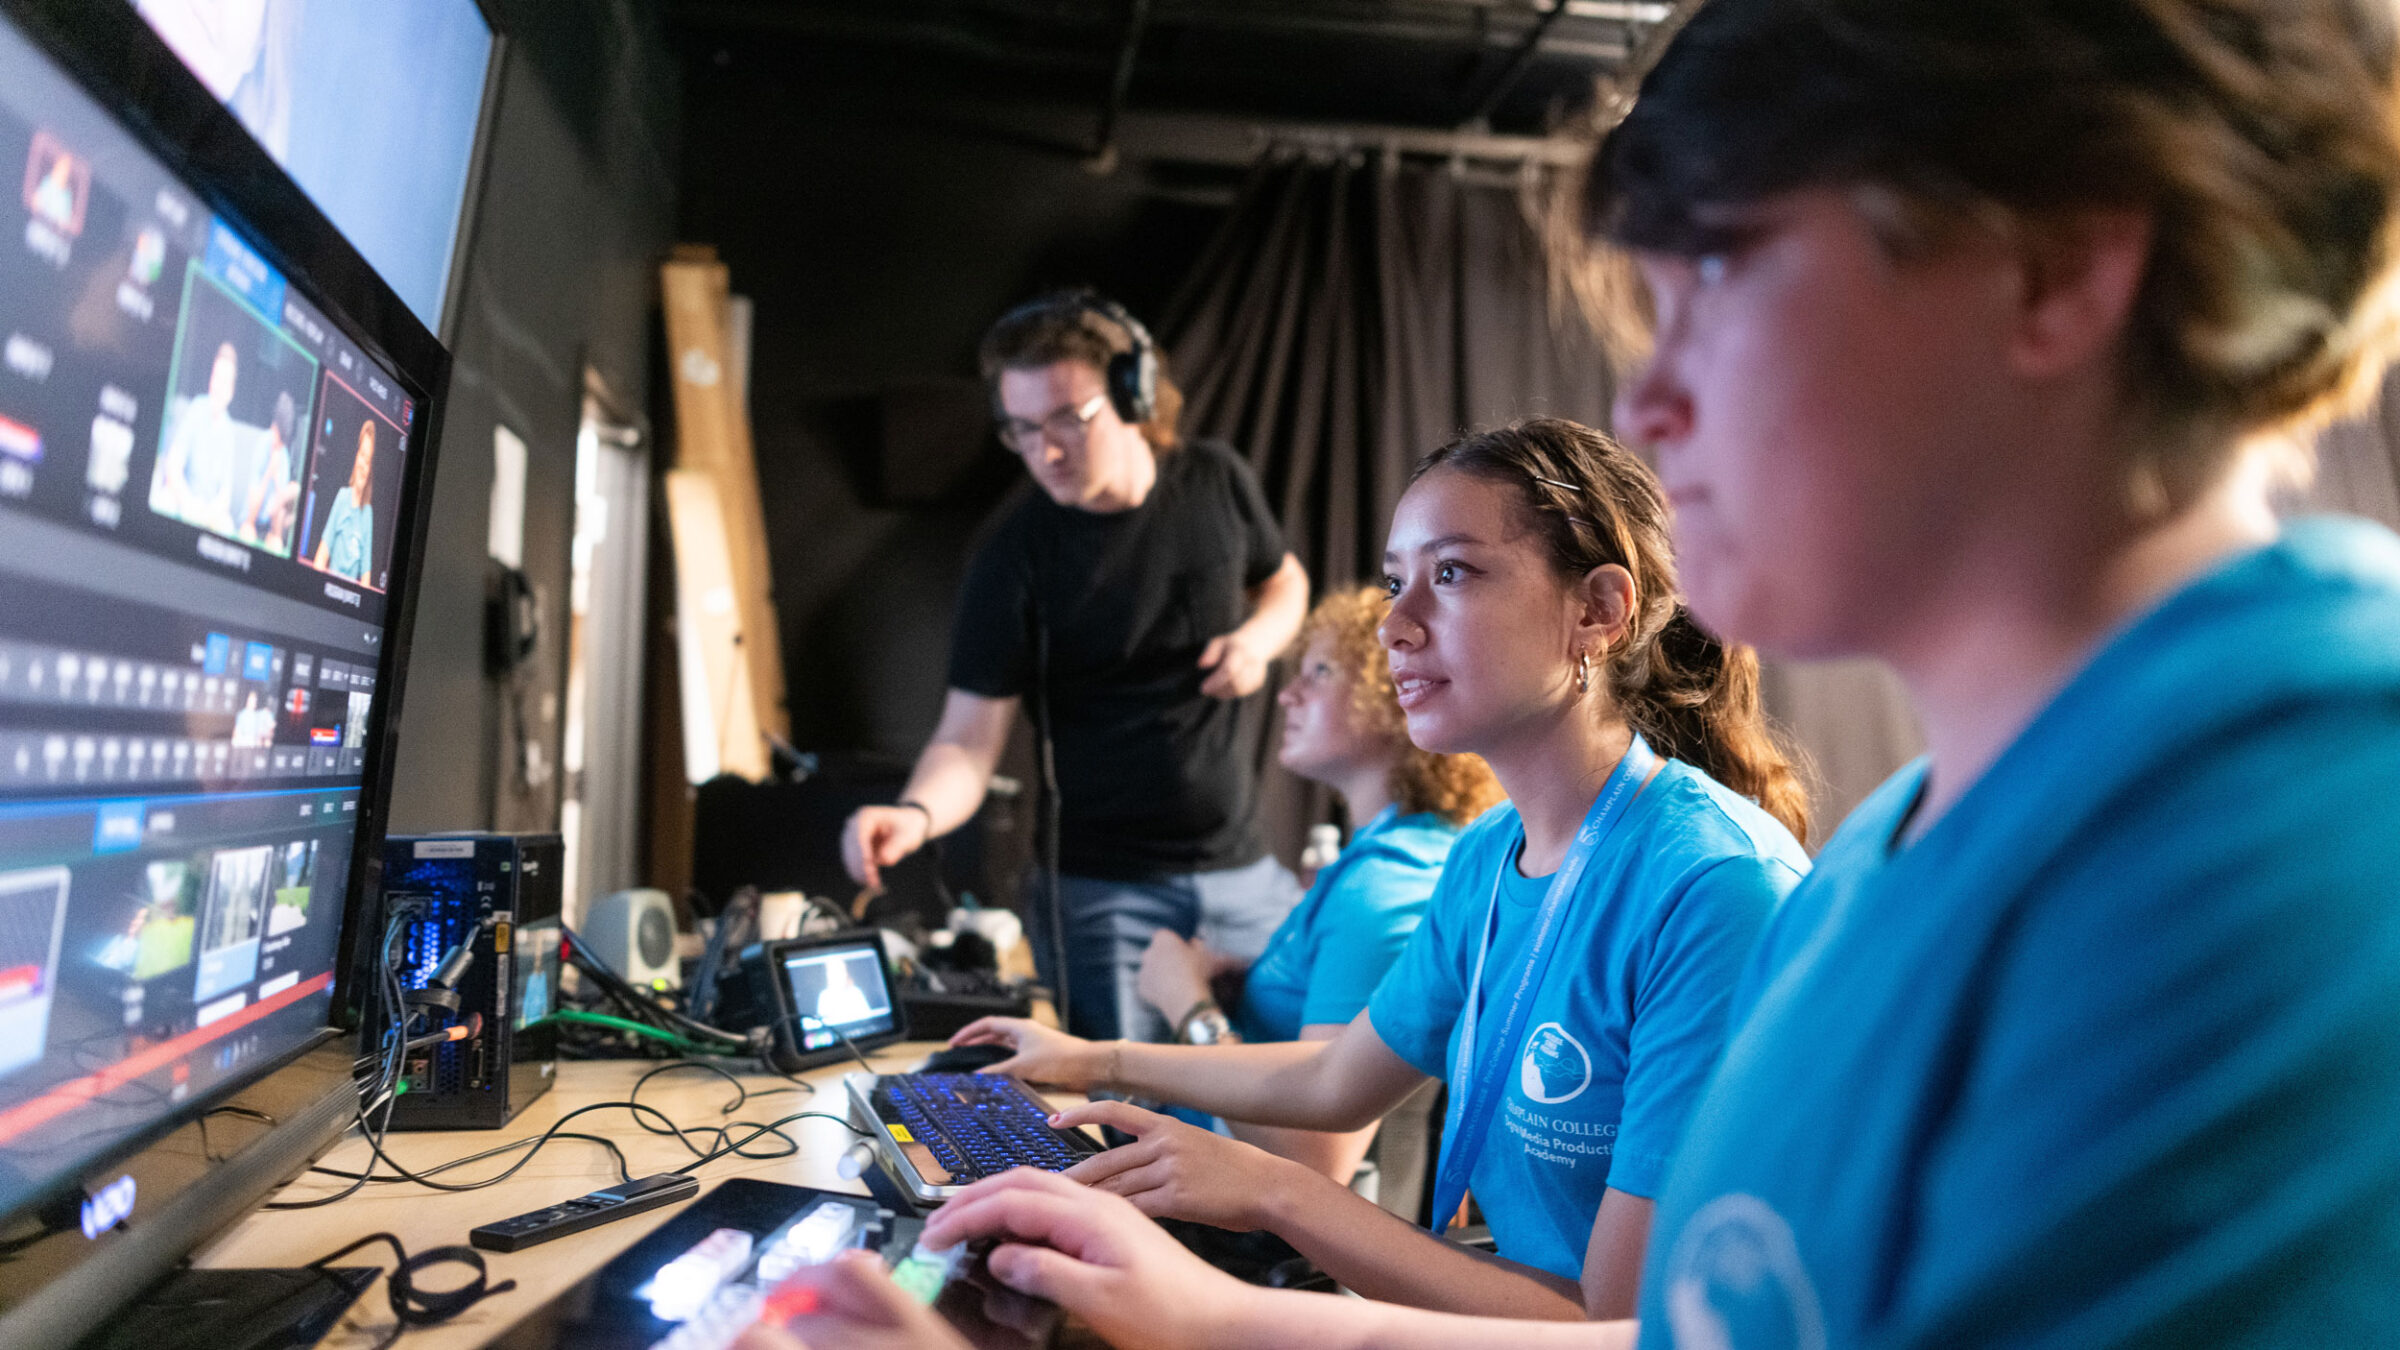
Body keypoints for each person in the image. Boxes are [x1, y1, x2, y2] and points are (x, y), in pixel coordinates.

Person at [751, 0, 2400, 1346]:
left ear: (2057, 270)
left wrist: (1223, 1293)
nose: (1656, 398)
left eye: (1717, 283)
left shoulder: (2313, 830)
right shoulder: (1906, 847)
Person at [950, 418, 1812, 1320]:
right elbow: (1330, 1081)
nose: (1396, 626)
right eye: (1397, 582)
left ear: (1598, 610)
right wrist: (1093, 1057)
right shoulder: (1487, 854)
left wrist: (1273, 1193)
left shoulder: (1716, 889)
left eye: (1452, 574)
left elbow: (1618, 1327)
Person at [838, 293, 1311, 1044]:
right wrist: (915, 813)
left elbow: (1283, 580)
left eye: (1066, 420)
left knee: (1281, 1100)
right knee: (1129, 1133)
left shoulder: (1215, 480)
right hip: (1103, 899)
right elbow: (965, 739)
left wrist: (1257, 640)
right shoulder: (1010, 556)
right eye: (1022, 429)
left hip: (1246, 873)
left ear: (1132, 395)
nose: (1045, 451)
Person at [1134, 584, 1503, 1182]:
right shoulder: (1387, 854)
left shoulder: (1386, 884)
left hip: (1236, 1234)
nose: (1287, 696)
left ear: (1393, 692)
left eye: (1320, 673)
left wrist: (1187, 1004)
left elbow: (1316, 1156)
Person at [150, 341, 242, 534]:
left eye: (224, 381)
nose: (218, 386)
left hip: (210, 515)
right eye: (216, 377)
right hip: (183, 501)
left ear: (232, 391)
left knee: (227, 527)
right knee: (163, 501)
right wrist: (188, 504)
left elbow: (225, 497)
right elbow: (173, 466)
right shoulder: (197, 409)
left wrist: (207, 515)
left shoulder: (230, 432)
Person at [312, 419, 376, 585]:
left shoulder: (367, 513)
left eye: (368, 461)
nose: (363, 465)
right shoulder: (342, 497)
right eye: (362, 456)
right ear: (356, 457)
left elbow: (366, 574)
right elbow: (322, 553)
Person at [237, 390, 301, 554]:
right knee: (248, 536)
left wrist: (279, 486)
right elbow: (250, 516)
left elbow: (276, 518)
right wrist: (268, 474)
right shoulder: (263, 443)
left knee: (276, 545)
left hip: (269, 526)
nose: (278, 444)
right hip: (249, 520)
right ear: (274, 427)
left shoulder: (284, 455)